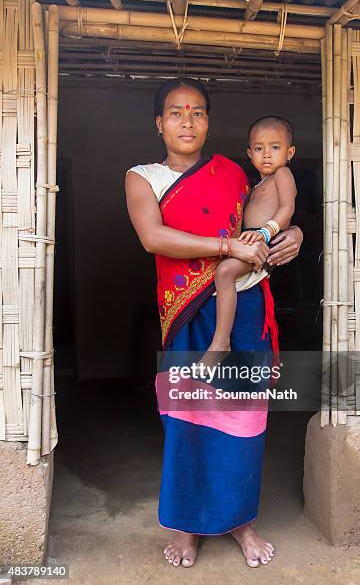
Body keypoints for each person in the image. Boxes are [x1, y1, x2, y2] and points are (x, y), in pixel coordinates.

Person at [124, 78, 303, 569]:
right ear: (159, 122)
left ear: (208, 121)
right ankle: (187, 525)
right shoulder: (142, 177)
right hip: (184, 311)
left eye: (197, 112)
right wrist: (228, 248)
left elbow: (266, 212)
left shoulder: (231, 172)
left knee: (243, 420)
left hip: (242, 308)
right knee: (187, 418)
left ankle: (240, 521)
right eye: (176, 112)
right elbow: (153, 236)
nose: (187, 120)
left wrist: (295, 232)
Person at [199, 115, 297, 370]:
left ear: (290, 152)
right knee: (222, 276)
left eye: (275, 147)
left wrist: (266, 233)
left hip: (266, 240)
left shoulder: (283, 174)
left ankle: (220, 343)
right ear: (249, 153)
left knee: (225, 272)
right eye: (259, 148)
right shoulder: (254, 186)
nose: (266, 154)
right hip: (252, 240)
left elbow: (287, 209)